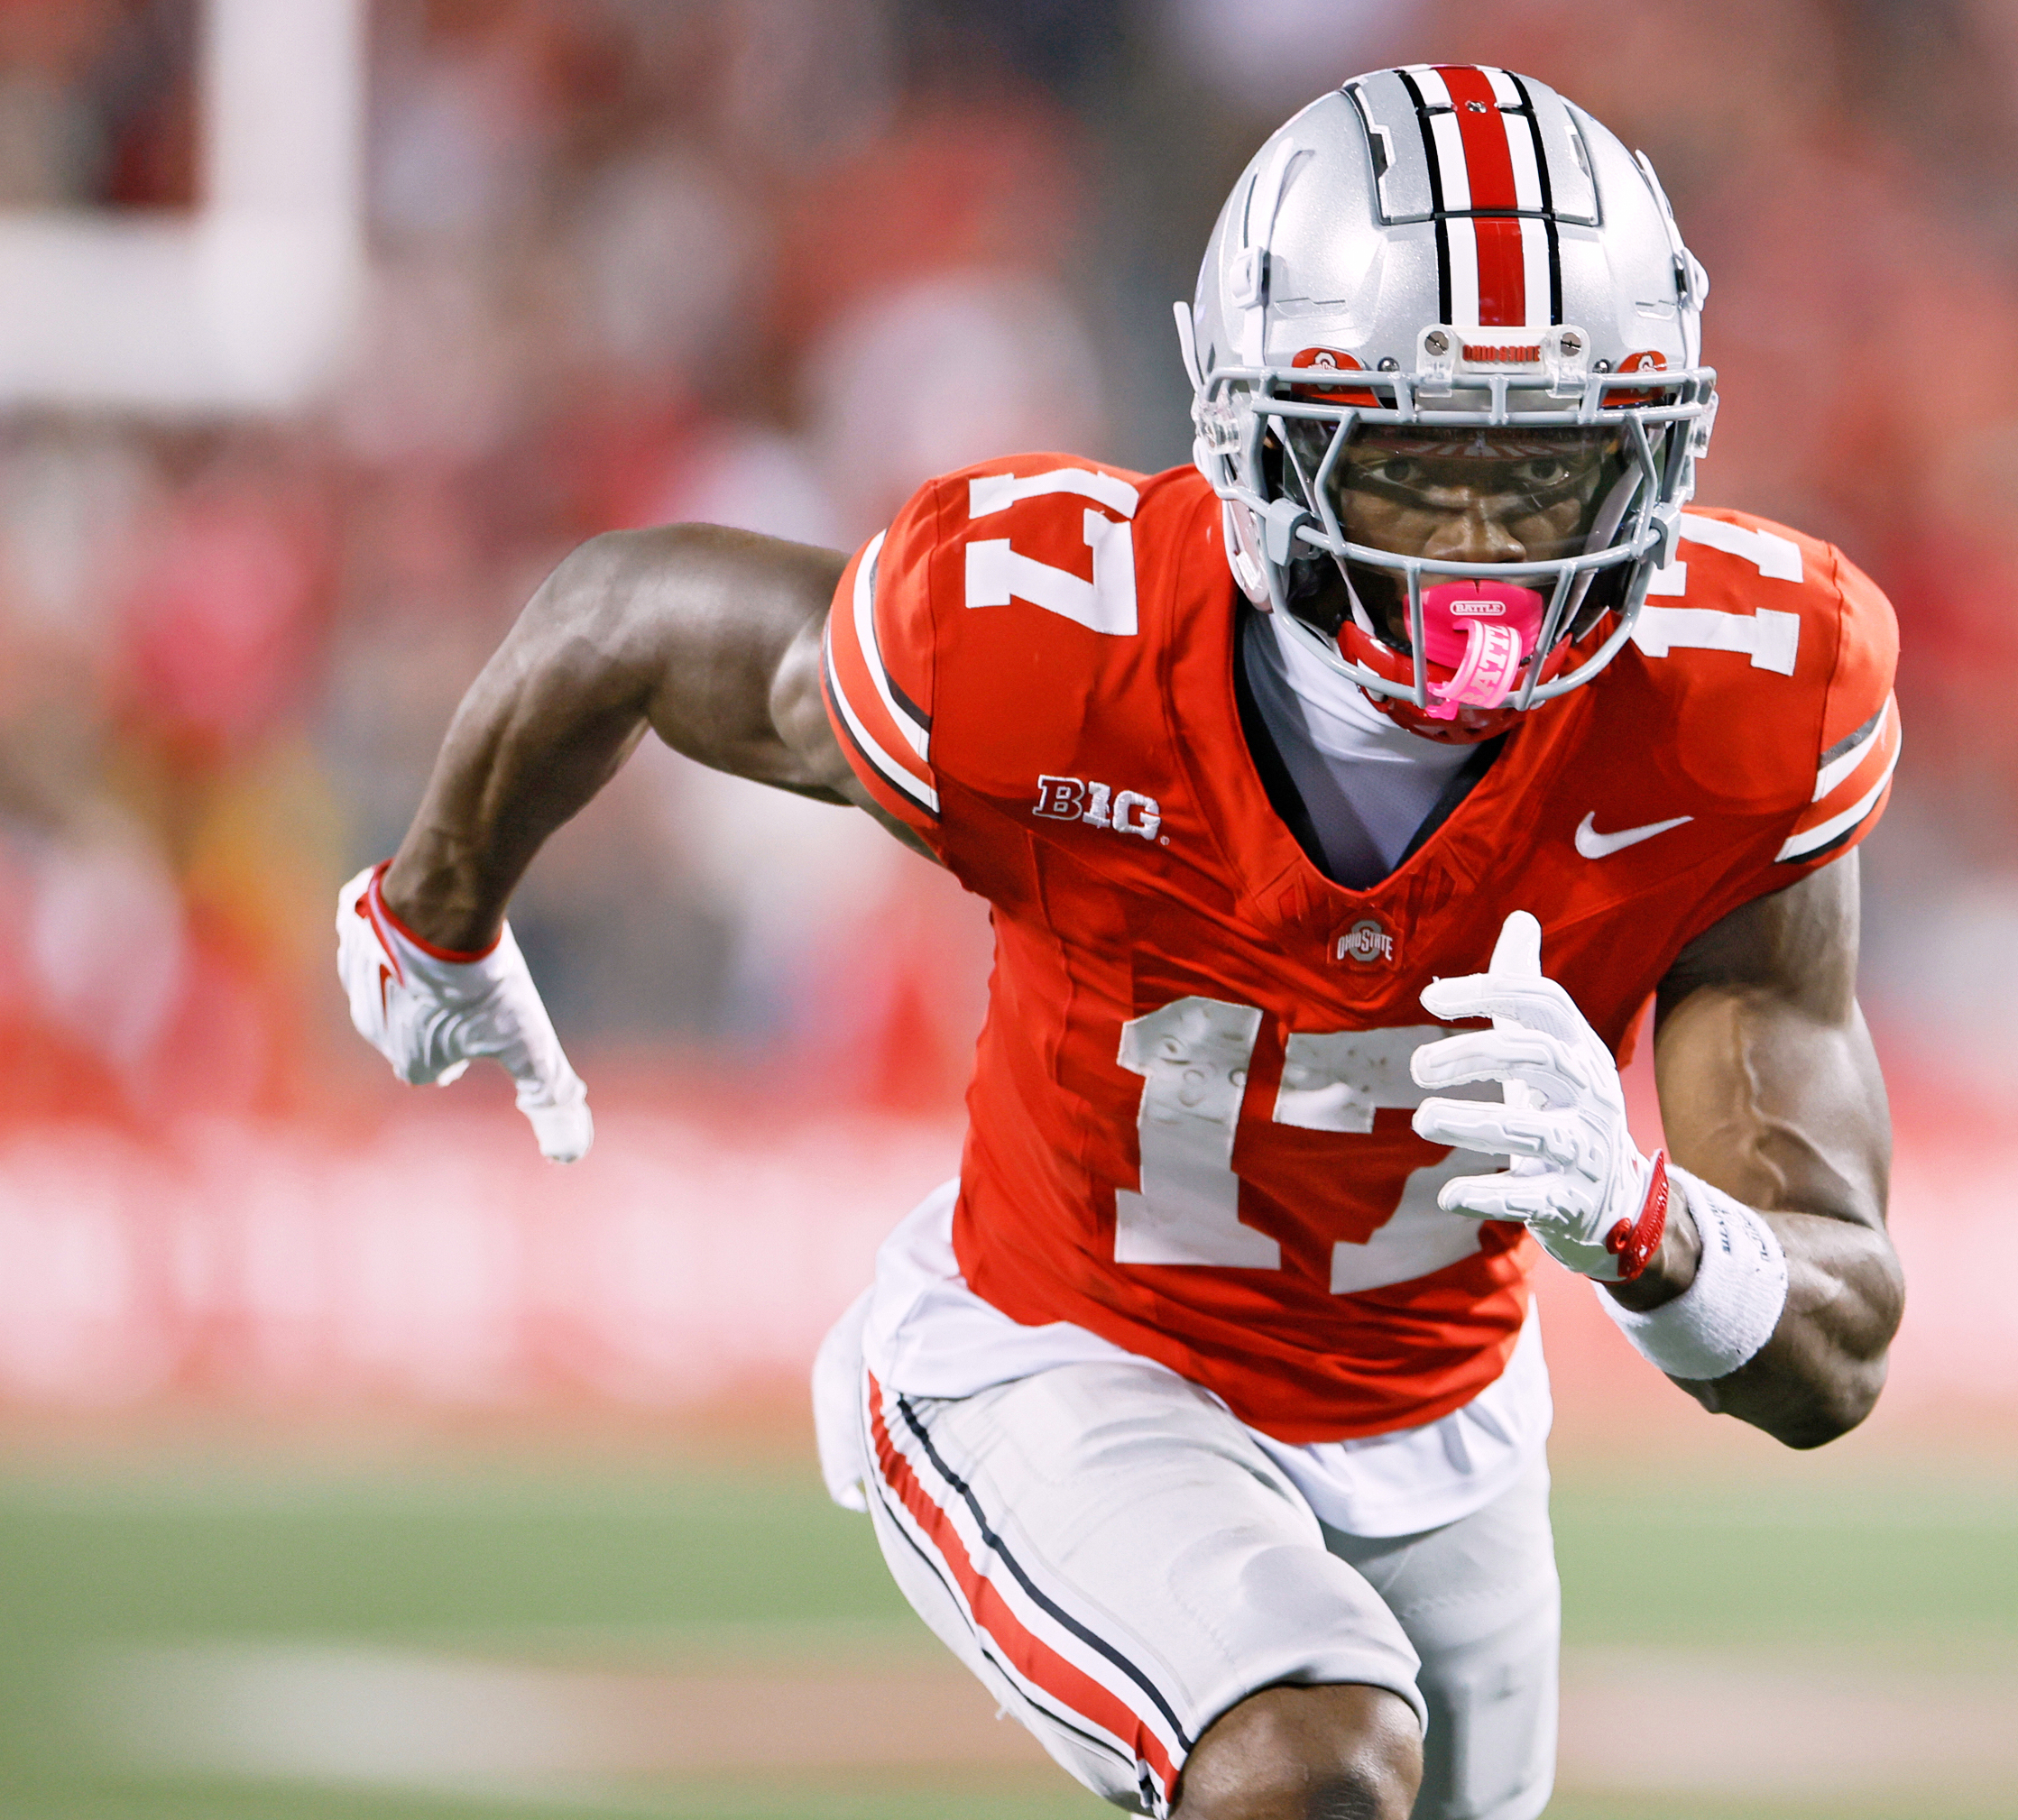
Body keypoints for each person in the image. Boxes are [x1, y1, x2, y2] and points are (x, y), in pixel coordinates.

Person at [336, 63, 1902, 1820]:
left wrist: (1640, 1219)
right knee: (1311, 1768)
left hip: (1437, 1421)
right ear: (1252, 429)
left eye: (1540, 474)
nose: (1481, 561)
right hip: (1062, 1348)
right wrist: (431, 910)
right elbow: (621, 611)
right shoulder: (1042, 645)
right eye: (1408, 467)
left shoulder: (1742, 692)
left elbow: (1831, 1351)